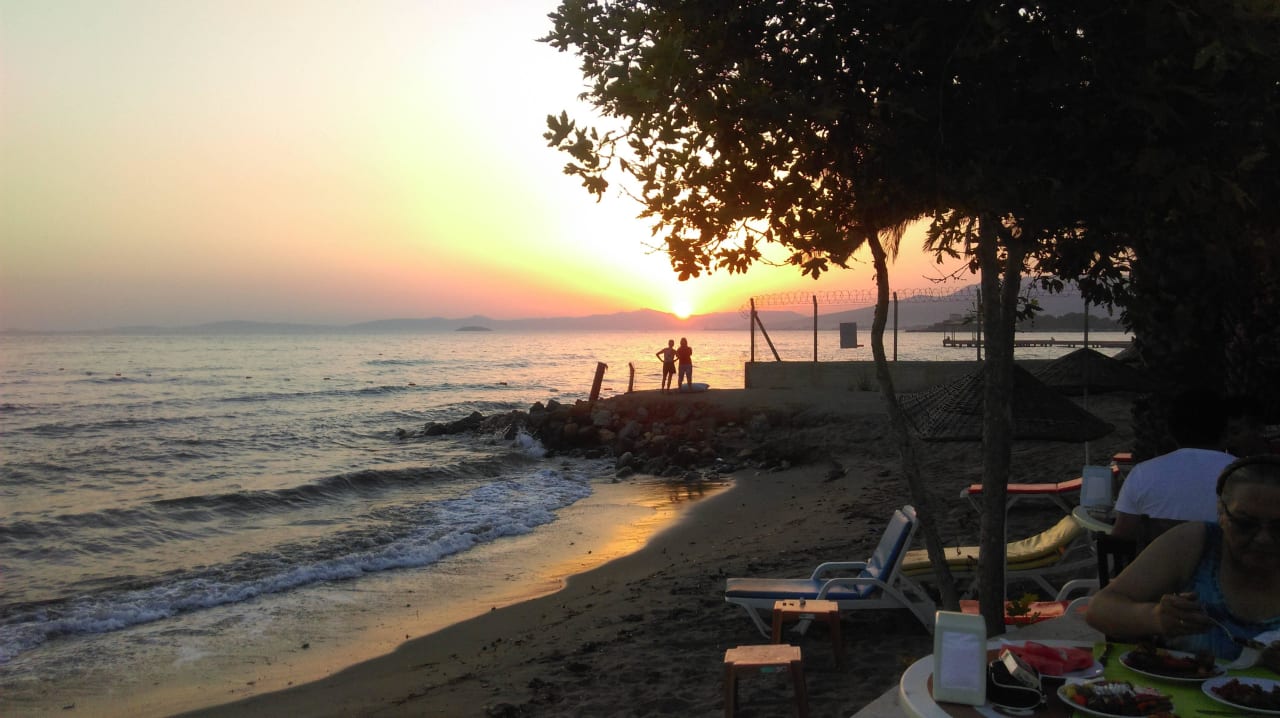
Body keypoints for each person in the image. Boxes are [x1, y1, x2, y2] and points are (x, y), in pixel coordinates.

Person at [1085, 455, 1280, 669]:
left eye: (1278, 527)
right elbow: (1099, 609)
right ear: (1221, 513)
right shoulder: (1197, 544)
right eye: (1245, 524)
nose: (1264, 538)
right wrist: (1155, 617)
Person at [1110, 389, 1236, 542]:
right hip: (1225, 565)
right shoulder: (1244, 473)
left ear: (1171, 431)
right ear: (1225, 430)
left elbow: (1120, 539)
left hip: (1160, 564)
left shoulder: (1143, 474)